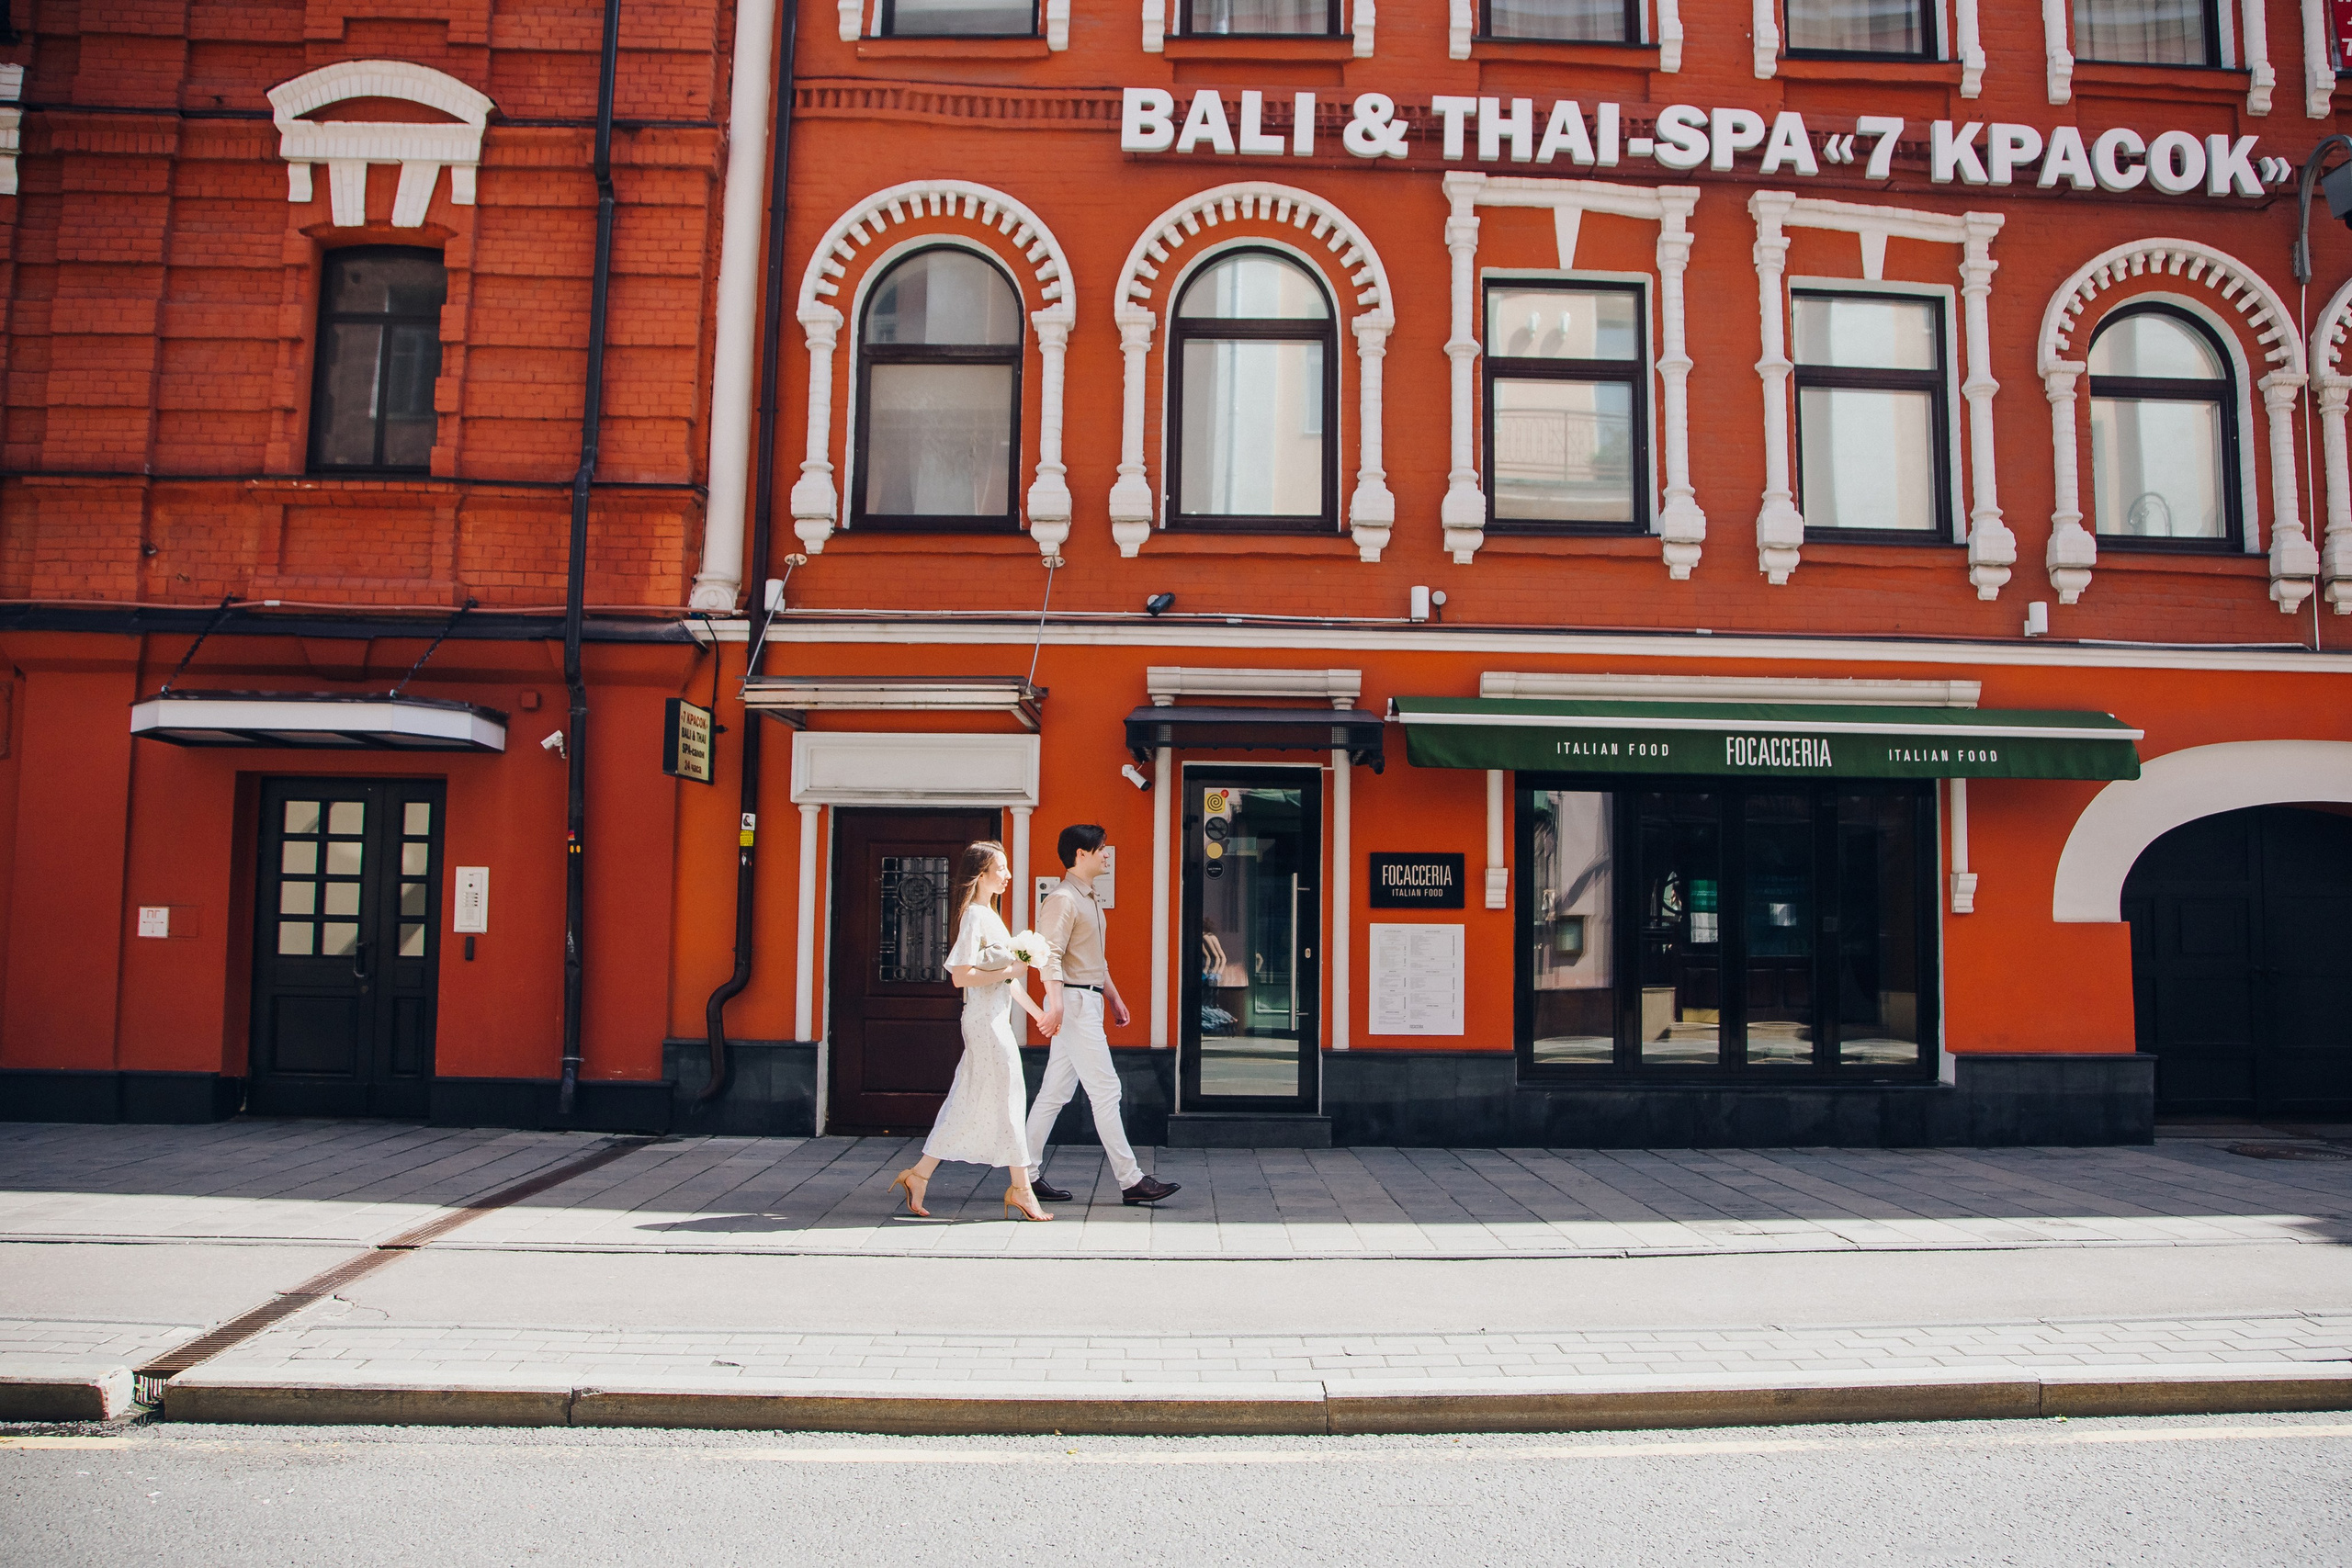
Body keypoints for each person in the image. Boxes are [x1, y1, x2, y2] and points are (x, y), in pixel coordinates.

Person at [888, 840, 1055, 1223]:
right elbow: (961, 976)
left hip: (995, 1019)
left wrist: (1037, 1013)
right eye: (1002, 869)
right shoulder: (975, 916)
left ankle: (919, 1175)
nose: (1009, 875)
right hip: (984, 1022)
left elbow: (1007, 984)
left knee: (969, 1098)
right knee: (1011, 1096)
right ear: (981, 874)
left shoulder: (992, 916)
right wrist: (1010, 969)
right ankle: (1022, 1188)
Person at [1023, 824, 1181, 1207]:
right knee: (1106, 1090)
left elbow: (1094, 957)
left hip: (1085, 999)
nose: (1107, 855)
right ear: (1081, 854)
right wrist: (1055, 1003)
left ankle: (1023, 1174)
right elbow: (1050, 955)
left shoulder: (1088, 898)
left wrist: (1113, 997)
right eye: (1101, 849)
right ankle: (1131, 1180)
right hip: (1073, 1003)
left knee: (1054, 1093)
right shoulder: (1062, 899)